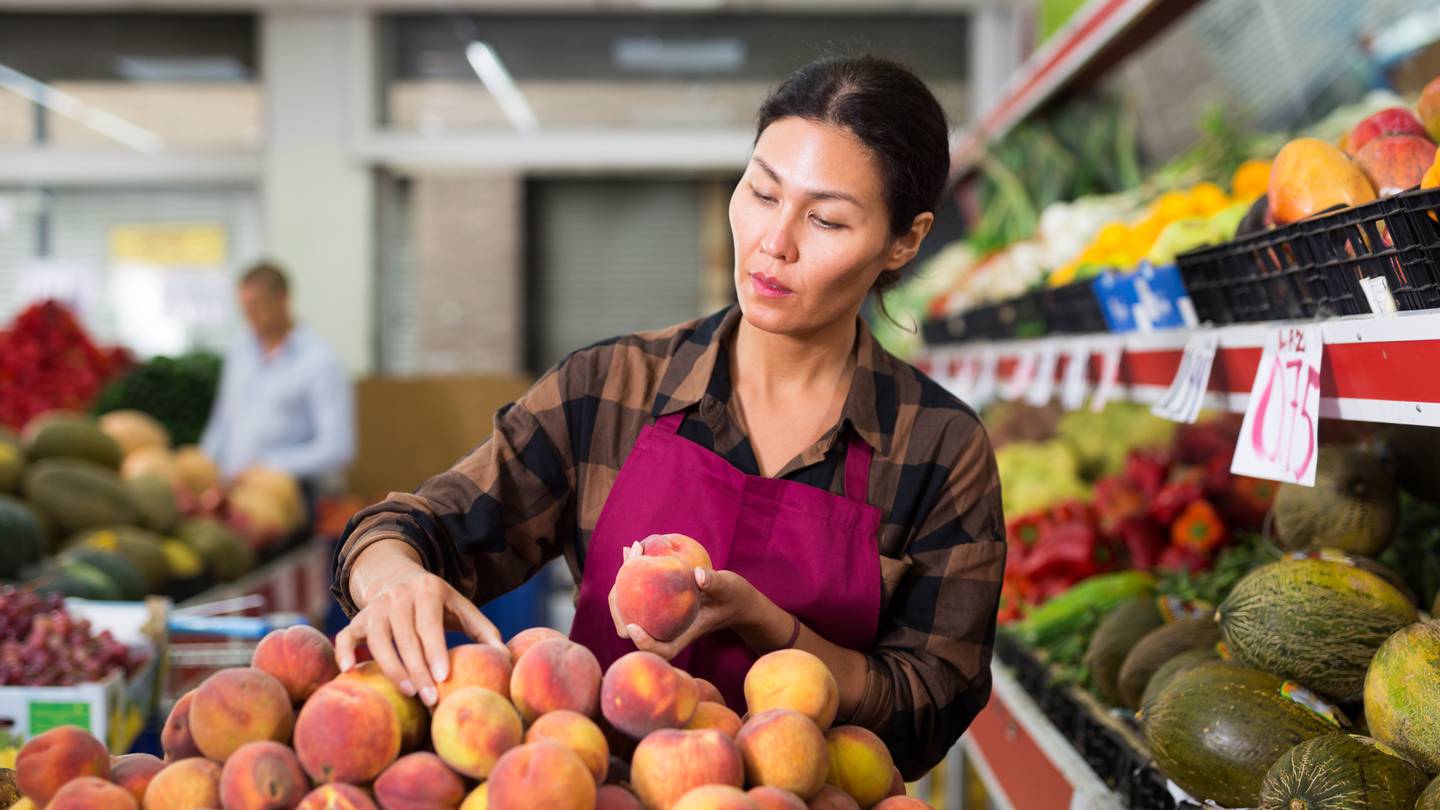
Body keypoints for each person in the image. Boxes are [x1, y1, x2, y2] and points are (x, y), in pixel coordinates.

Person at [332, 55, 1005, 778]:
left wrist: (767, 624)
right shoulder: (610, 387)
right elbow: (417, 527)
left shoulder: (938, 449)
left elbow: (931, 706)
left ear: (905, 240)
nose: (774, 243)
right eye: (762, 192)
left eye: (827, 219)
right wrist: (392, 575)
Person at [201, 261, 355, 500]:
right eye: (245, 307)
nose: (250, 316)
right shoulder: (239, 351)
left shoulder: (320, 361)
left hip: (292, 495)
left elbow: (337, 449)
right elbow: (223, 420)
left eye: (257, 306)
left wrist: (269, 467)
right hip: (232, 492)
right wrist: (205, 466)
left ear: (284, 299)